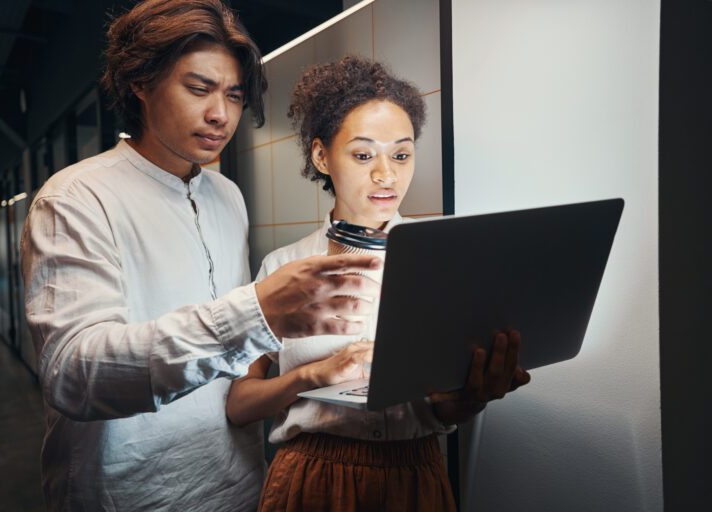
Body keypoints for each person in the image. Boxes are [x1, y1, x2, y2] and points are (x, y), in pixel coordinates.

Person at [20, 2, 382, 511]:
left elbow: (235, 372)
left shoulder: (226, 196)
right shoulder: (77, 198)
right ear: (140, 84)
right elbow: (73, 374)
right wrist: (256, 311)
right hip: (129, 493)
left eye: (234, 95)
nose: (221, 114)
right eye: (198, 89)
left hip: (236, 480)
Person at [226, 56, 532, 512]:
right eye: (364, 154)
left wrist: (471, 399)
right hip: (310, 481)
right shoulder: (283, 265)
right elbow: (238, 404)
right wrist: (311, 375)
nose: (387, 175)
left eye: (402, 154)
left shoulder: (449, 263)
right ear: (321, 155)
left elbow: (444, 409)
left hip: (418, 479)